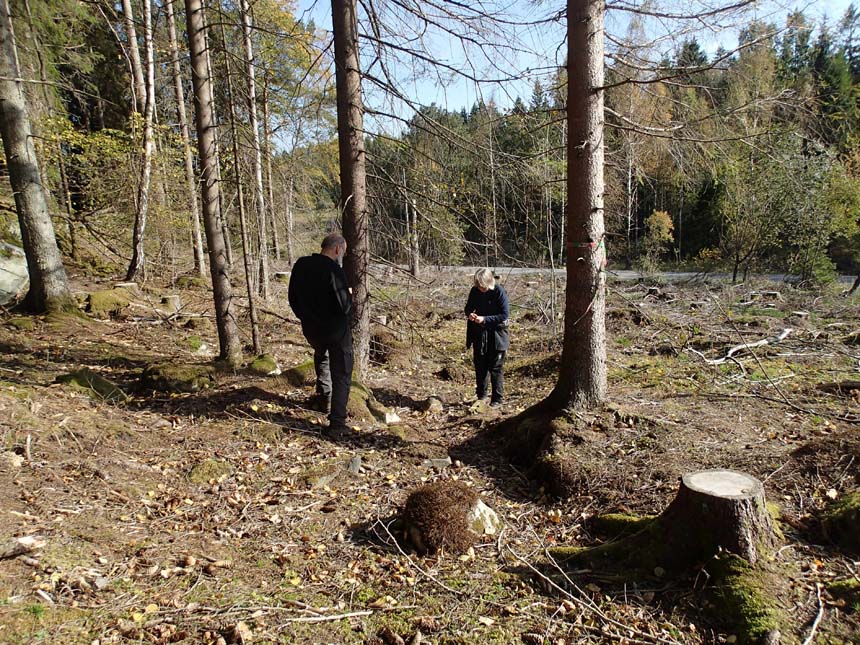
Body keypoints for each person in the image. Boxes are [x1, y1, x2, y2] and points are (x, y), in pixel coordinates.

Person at [288, 233, 353, 433]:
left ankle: (325, 398)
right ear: (337, 249)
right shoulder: (334, 270)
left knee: (322, 357)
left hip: (312, 330)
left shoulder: (301, 265)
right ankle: (338, 423)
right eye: (343, 251)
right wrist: (349, 295)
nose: (342, 255)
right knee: (342, 373)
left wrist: (306, 317)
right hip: (336, 331)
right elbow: (345, 306)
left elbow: (292, 298)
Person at [464, 268, 509, 408]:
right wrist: (470, 315)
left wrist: (485, 319)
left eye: (483, 286)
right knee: (480, 366)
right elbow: (468, 308)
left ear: (489, 282)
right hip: (479, 334)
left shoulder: (499, 291)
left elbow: (504, 315)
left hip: (497, 334)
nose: (481, 289)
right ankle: (481, 396)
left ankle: (497, 399)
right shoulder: (474, 291)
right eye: (479, 286)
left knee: (495, 367)